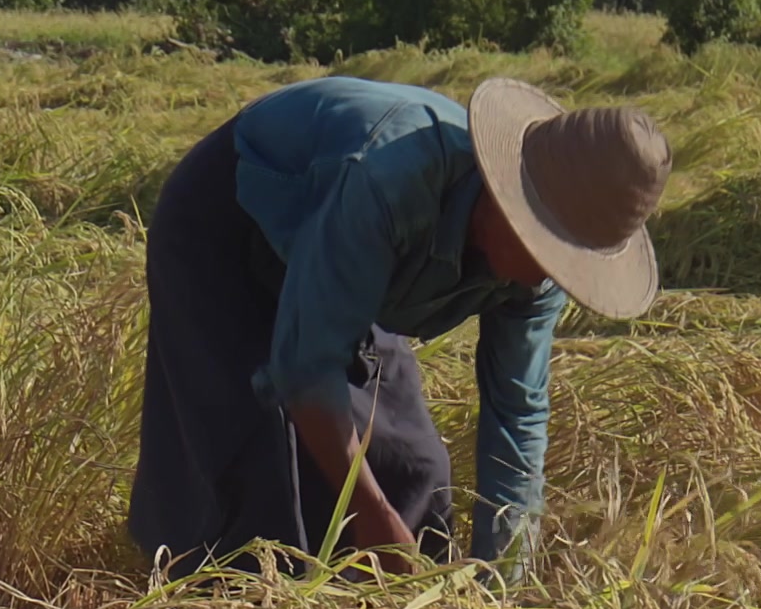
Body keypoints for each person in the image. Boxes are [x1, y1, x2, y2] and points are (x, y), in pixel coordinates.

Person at [129, 75, 668, 577]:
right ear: (509, 201)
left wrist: (501, 582)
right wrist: (372, 514)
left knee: (413, 468)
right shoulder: (389, 185)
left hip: (350, 259)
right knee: (256, 476)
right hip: (233, 224)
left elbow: (517, 414)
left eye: (570, 259)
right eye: (547, 245)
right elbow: (306, 371)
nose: (551, 273)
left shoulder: (538, 280)